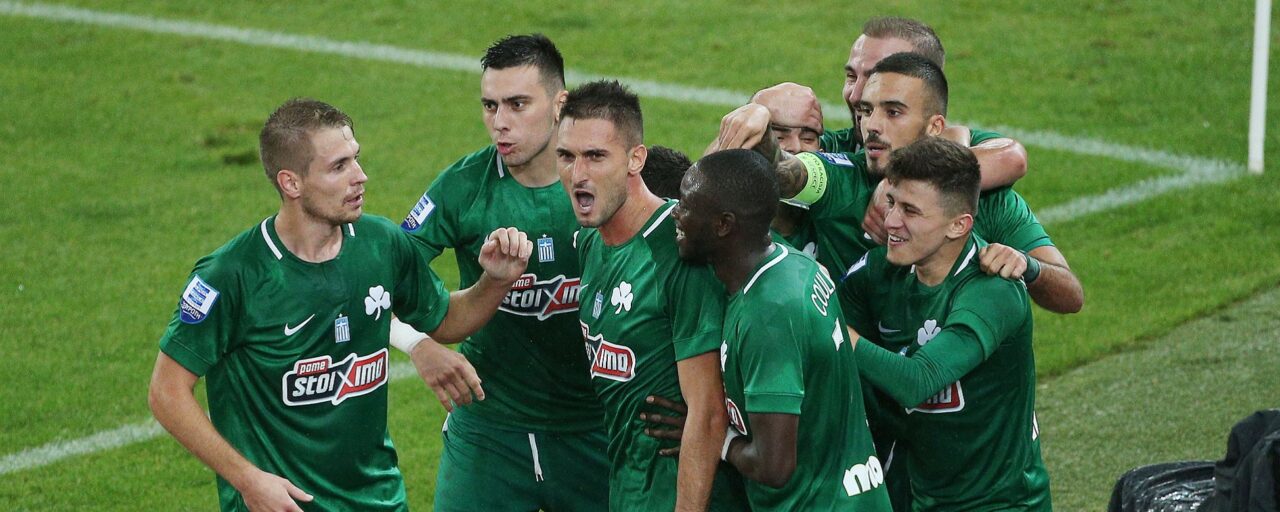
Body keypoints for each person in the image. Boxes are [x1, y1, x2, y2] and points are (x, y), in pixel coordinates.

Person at [147, 98, 532, 512]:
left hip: (379, 501)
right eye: (339, 167)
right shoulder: (232, 275)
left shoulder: (381, 244)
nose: (360, 176)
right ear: (291, 184)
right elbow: (166, 392)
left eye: (356, 159)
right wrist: (247, 479)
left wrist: (495, 281)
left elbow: (445, 320)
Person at [392, 34, 610, 511]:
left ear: (560, 105)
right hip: (488, 431)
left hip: (597, 428)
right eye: (490, 106)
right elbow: (374, 280)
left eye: (517, 104)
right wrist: (418, 345)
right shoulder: (462, 187)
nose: (500, 123)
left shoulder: (609, 184)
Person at [715, 52, 1085, 314]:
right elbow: (786, 172)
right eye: (866, 111)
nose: (872, 126)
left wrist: (1027, 266)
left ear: (935, 127)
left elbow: (1070, 296)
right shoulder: (841, 177)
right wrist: (759, 123)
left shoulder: (989, 199)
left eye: (893, 112)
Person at [556, 80, 748, 512]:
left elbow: (708, 411)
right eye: (566, 156)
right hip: (628, 489)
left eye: (595, 156)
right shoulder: (590, 243)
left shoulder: (678, 252)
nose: (577, 174)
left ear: (635, 159)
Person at [670, 148, 892, 510]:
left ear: (724, 225)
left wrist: (718, 437)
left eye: (686, 205)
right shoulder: (798, 265)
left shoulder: (769, 315)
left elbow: (773, 466)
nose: (676, 213)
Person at [838, 136, 1053, 511]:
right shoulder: (877, 273)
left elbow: (916, 382)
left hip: (1002, 504)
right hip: (924, 497)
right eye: (892, 202)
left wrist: (832, 328)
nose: (890, 221)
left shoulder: (992, 291)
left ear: (958, 225)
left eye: (910, 211)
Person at [750, 83, 823, 256]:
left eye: (808, 138)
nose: (796, 147)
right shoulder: (728, 229)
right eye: (778, 137)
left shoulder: (837, 207)